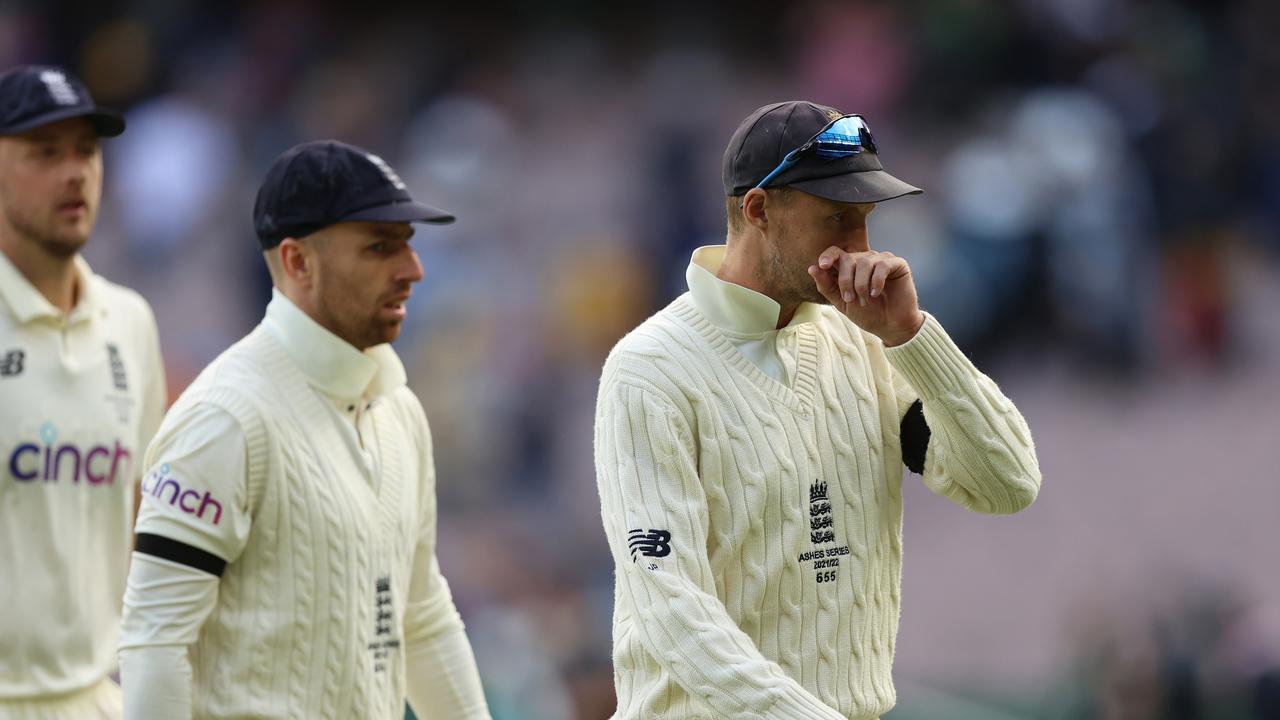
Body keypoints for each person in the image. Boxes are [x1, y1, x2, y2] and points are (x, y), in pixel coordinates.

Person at [593, 100, 1042, 719]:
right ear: (758, 211)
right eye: (837, 219)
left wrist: (913, 337)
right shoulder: (649, 368)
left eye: (864, 220)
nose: (859, 247)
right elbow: (672, 609)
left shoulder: (869, 341)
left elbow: (1008, 484)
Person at [117, 140, 491, 720]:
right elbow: (154, 644)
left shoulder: (400, 412)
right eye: (379, 248)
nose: (412, 271)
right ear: (296, 263)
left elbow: (420, 616)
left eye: (408, 246)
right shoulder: (223, 420)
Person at [0, 64, 166, 720]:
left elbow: (141, 520)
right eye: (45, 153)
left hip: (99, 701)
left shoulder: (130, 323)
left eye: (87, 152)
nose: (75, 172)